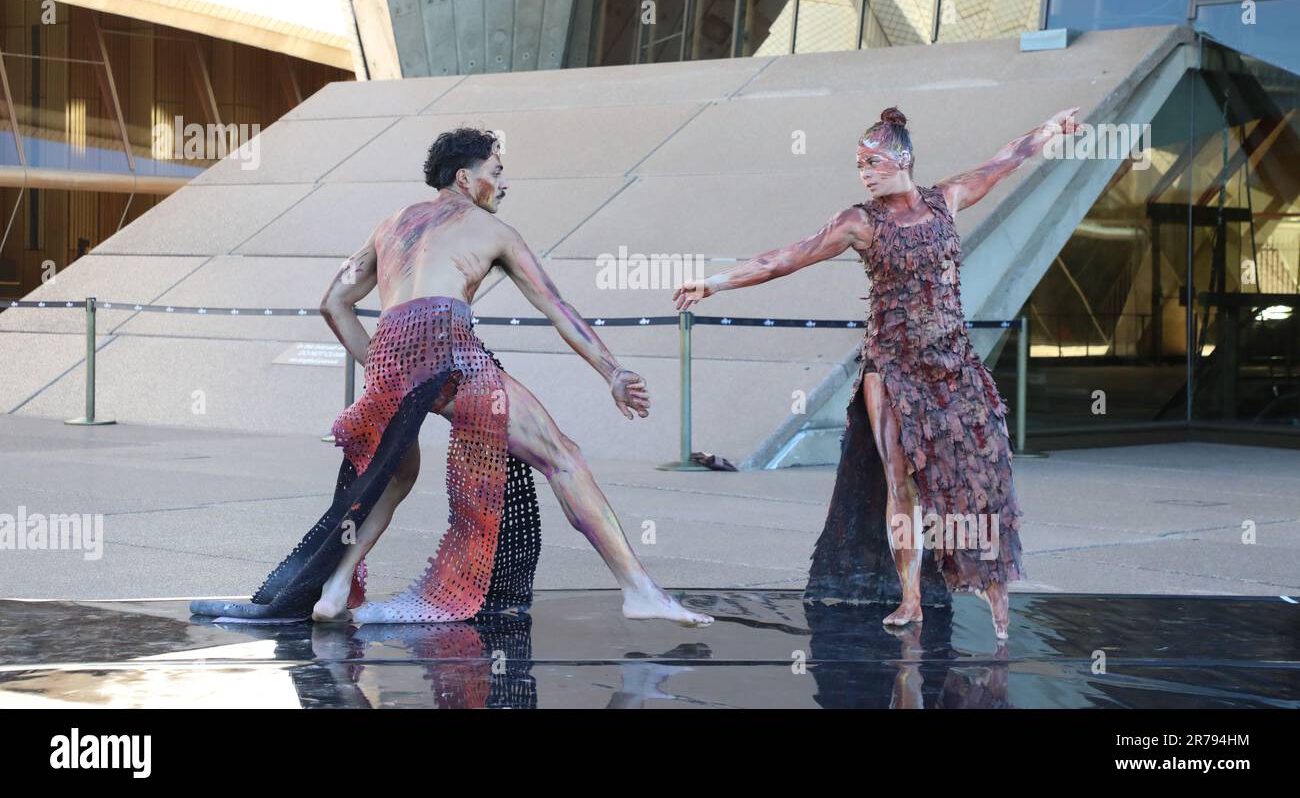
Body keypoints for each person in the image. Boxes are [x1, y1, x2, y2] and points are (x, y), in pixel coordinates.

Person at [192, 127, 711, 627]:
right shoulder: (495, 231)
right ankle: (640, 591)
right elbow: (556, 307)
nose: (505, 184)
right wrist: (613, 371)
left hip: (393, 351)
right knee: (563, 457)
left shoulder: (391, 223)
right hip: (448, 344)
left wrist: (381, 367)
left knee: (395, 477)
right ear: (465, 178)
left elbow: (333, 303)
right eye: (497, 172)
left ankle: (333, 591)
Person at [674, 106, 1079, 639]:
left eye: (873, 162)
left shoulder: (947, 200)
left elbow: (1006, 160)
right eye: (859, 165)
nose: (864, 172)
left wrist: (1049, 129)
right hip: (891, 367)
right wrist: (715, 282)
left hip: (953, 362)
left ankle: (993, 587)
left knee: (981, 473)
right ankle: (910, 597)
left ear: (903, 159)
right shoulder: (859, 222)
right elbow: (785, 258)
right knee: (901, 479)